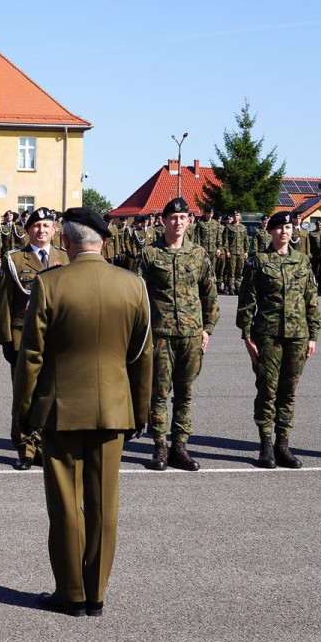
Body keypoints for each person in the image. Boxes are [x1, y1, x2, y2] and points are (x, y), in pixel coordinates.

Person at [14, 207, 152, 617]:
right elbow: (142, 356)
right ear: (104, 242)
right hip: (113, 409)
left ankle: (71, 592)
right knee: (104, 504)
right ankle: (96, 593)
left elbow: (31, 356)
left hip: (60, 409)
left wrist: (23, 412)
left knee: (65, 504)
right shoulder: (133, 286)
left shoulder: (49, 284)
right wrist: (139, 411)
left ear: (67, 243)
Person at [136, 197, 218, 471]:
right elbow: (136, 295)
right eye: (173, 217)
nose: (178, 222)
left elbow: (209, 293)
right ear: (163, 220)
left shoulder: (198, 254)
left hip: (192, 335)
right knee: (158, 393)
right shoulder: (149, 254)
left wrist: (207, 329)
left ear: (189, 221)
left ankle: (180, 446)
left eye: (183, 218)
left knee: (185, 393)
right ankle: (159, 446)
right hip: (159, 334)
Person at [236, 211, 321, 469]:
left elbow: (311, 300)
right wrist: (247, 337)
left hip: (298, 335)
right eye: (279, 228)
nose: (284, 232)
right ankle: (265, 444)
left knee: (288, 392)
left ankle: (283, 444)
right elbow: (247, 302)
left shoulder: (302, 261)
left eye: (288, 227)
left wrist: (313, 335)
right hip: (268, 336)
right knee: (267, 391)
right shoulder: (259, 261)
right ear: (271, 232)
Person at [0, 207, 66, 469]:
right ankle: (25, 448)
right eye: (36, 226)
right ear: (28, 230)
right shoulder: (15, 259)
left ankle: (45, 445)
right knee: (24, 395)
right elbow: (3, 302)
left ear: (54, 230)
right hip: (22, 337)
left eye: (47, 226)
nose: (42, 230)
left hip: (55, 340)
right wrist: (5, 340)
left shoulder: (66, 259)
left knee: (51, 394)